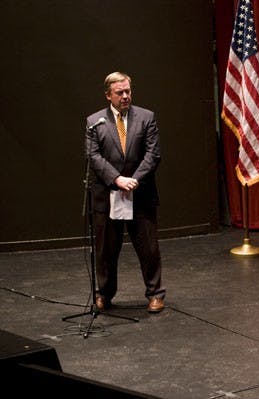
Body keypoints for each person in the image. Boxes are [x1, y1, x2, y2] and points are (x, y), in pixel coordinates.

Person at [86, 71, 165, 313]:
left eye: (128, 91)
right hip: (107, 194)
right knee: (106, 250)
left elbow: (153, 154)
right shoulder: (95, 121)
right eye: (119, 92)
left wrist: (133, 180)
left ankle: (155, 294)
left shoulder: (146, 117)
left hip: (139, 193)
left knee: (148, 248)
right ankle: (104, 294)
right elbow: (93, 156)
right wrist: (117, 179)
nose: (125, 96)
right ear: (108, 95)